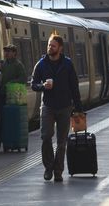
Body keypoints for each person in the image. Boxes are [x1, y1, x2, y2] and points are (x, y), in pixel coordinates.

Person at [31, 33, 82, 183]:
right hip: (47, 106)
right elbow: (33, 84)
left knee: (62, 141)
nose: (50, 48)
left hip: (65, 107)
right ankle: (48, 168)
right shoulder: (41, 64)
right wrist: (42, 86)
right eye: (48, 45)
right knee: (46, 137)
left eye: (53, 46)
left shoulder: (67, 64)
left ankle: (58, 171)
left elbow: (74, 86)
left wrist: (78, 107)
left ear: (60, 48)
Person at [0, 43, 28, 152]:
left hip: (12, 98)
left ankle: (9, 143)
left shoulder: (18, 65)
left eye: (9, 51)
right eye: (6, 51)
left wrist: (11, 83)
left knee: (10, 120)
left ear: (14, 53)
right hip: (0, 95)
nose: (7, 53)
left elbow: (23, 79)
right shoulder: (3, 64)